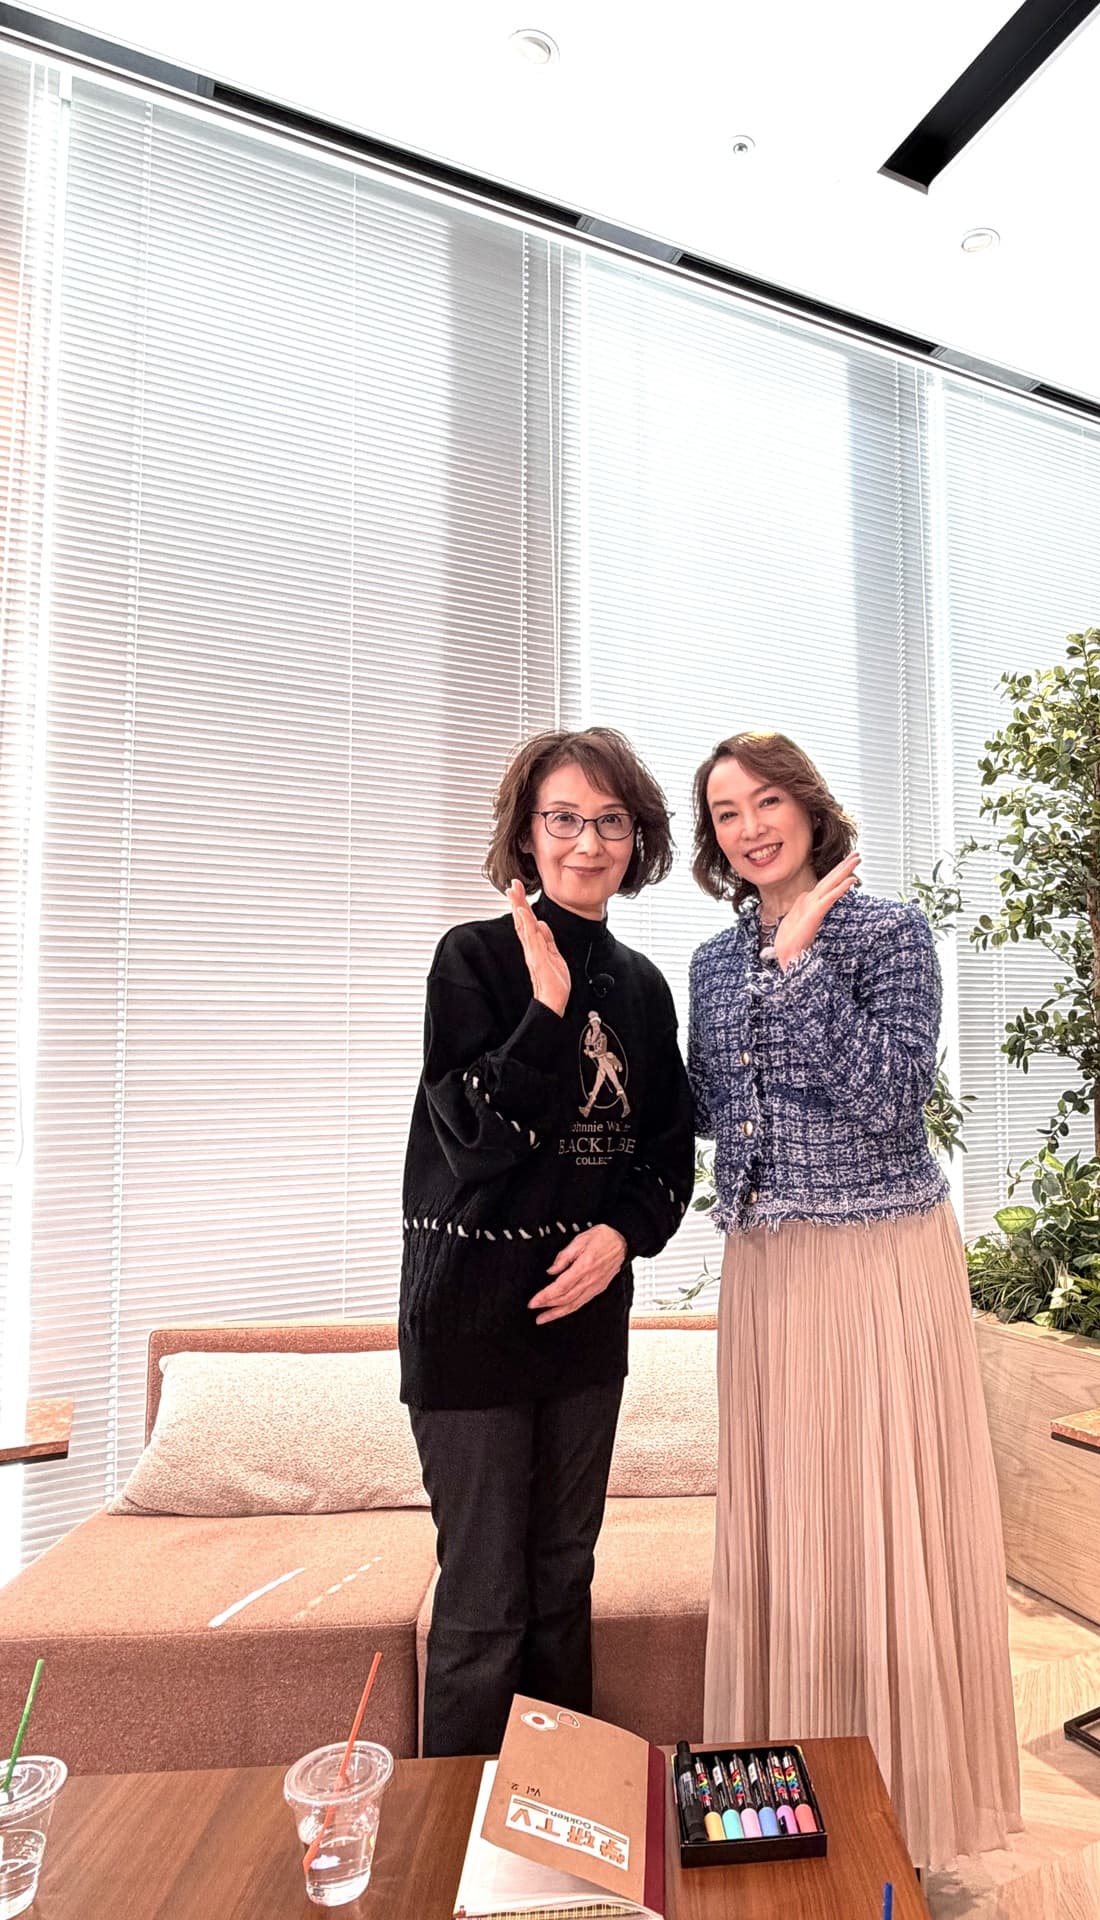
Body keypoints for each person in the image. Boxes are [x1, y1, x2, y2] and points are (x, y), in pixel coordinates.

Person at [688, 730, 1021, 1870]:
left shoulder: (888, 932)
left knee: (881, 1516)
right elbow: (712, 1105)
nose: (750, 828)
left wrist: (800, 965)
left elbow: (892, 1097)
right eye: (726, 813)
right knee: (791, 1525)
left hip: (878, 1258)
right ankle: (802, 1805)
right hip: (767, 1265)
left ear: (810, 808)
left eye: (766, 801)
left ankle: (906, 1813)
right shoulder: (709, 963)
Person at [399, 727, 694, 1756]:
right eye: (564, 818)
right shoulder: (473, 960)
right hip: (470, 1324)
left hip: (586, 1332)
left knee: (564, 1586)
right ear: (527, 834)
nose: (588, 841)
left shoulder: (645, 988)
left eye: (611, 821)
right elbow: (479, 1140)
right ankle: (454, 1837)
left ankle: (559, 1819)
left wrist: (621, 1235)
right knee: (485, 1602)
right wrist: (550, 1004)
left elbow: (666, 1153)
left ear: (636, 839)